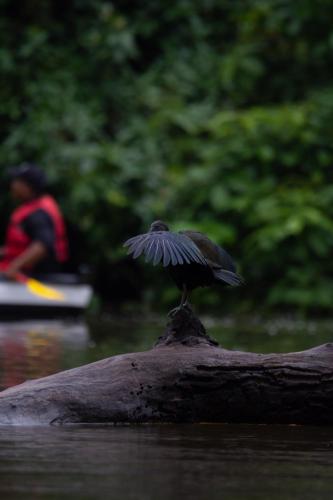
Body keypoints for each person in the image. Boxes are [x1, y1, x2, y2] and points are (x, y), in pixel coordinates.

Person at [0, 164, 69, 279]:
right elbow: (20, 246)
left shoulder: (38, 214)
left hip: (34, 278)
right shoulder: (33, 207)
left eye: (16, 182)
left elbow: (43, 245)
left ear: (27, 187)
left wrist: (14, 267)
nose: (12, 185)